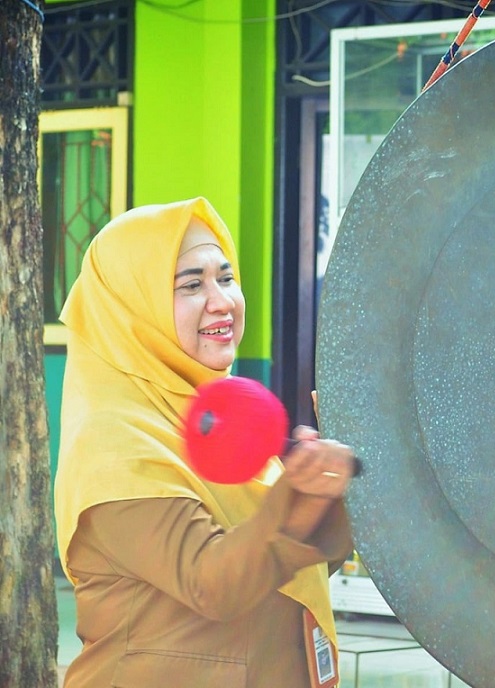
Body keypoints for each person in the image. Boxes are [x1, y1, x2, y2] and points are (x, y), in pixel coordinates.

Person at [54, 197, 356, 687]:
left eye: (226, 278)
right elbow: (213, 583)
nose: (222, 301)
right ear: (133, 308)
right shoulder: (113, 445)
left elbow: (303, 559)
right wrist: (296, 495)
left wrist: (331, 485)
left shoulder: (215, 418)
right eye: (191, 285)